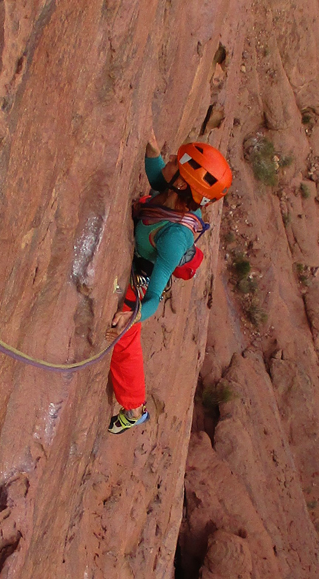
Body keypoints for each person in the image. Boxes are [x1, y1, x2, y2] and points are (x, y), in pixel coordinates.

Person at [105, 139, 232, 434]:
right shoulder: (172, 192)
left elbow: (153, 299)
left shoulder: (174, 237)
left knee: (123, 337)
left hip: (141, 279)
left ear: (183, 185)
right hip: (136, 260)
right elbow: (155, 175)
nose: (173, 159)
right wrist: (150, 147)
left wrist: (133, 316)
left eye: (178, 163)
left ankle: (134, 409)